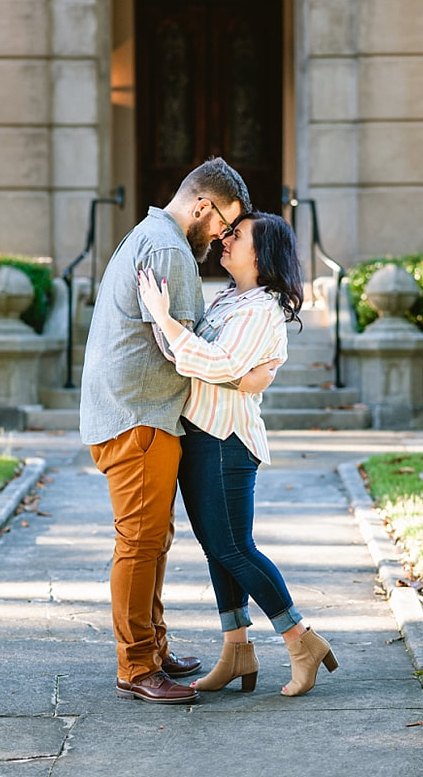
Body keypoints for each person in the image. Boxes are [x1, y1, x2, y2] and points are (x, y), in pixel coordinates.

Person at [80, 157, 271, 704]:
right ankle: (137, 667)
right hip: (138, 416)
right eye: (223, 225)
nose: (223, 237)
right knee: (140, 543)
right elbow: (185, 350)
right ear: (203, 206)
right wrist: (245, 374)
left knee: (152, 539)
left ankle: (154, 648)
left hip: (138, 413)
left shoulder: (154, 235)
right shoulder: (168, 247)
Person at [137, 211, 339, 697]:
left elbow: (217, 360)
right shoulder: (230, 300)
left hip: (227, 439)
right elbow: (186, 358)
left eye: (236, 235)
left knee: (234, 548)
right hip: (200, 431)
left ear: (263, 252)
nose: (223, 240)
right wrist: (229, 372)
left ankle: (301, 640)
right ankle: (236, 650)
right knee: (216, 548)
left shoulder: (262, 309)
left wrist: (167, 320)